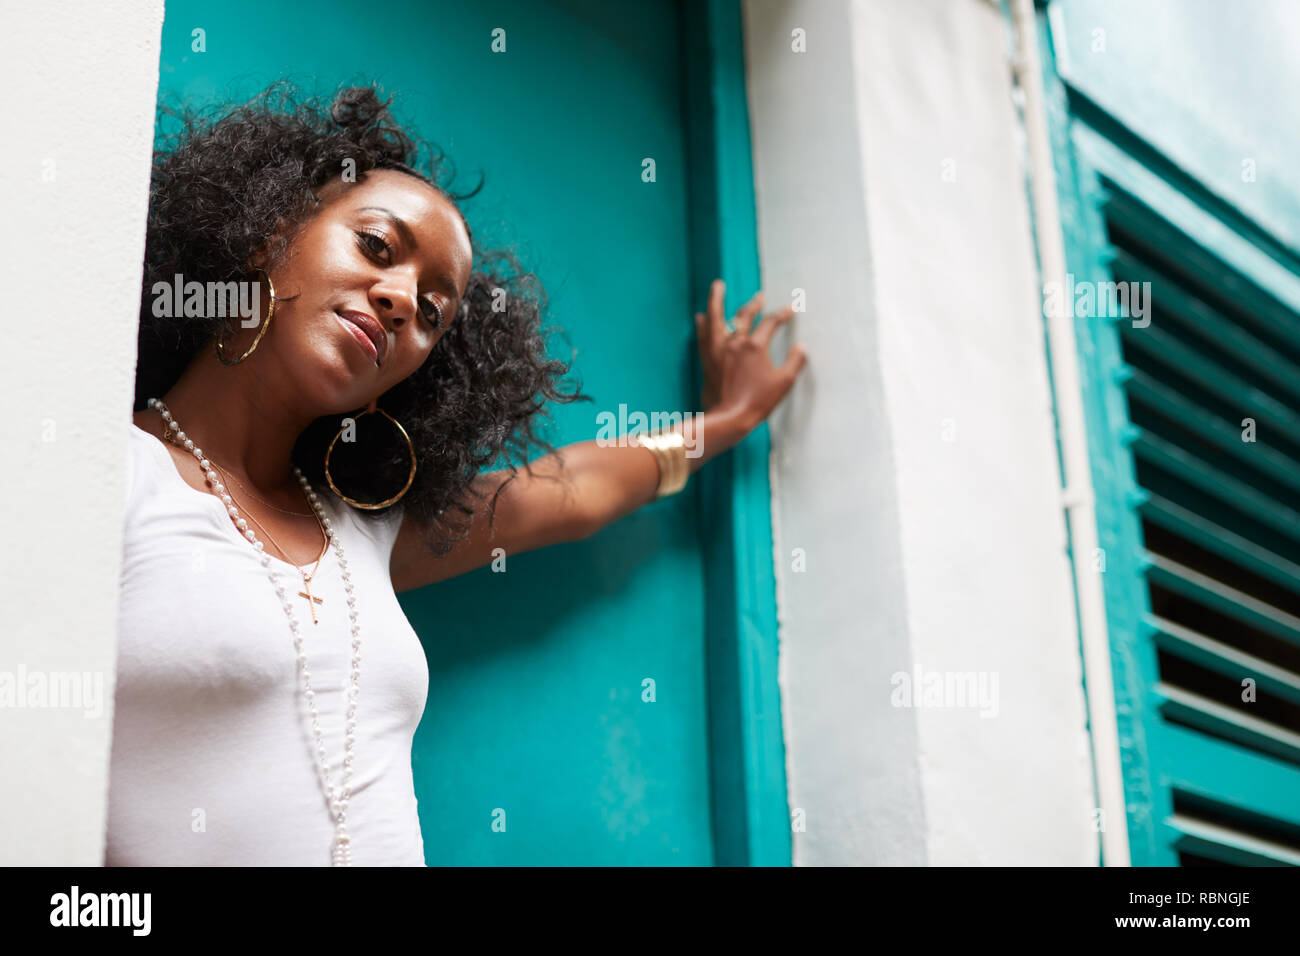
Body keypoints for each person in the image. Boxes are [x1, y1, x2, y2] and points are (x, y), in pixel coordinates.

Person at [112, 82, 807, 866]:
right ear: (266, 233)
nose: (404, 299)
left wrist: (726, 425)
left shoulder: (360, 533)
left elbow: (570, 490)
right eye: (376, 246)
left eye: (435, 310)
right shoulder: (105, 477)